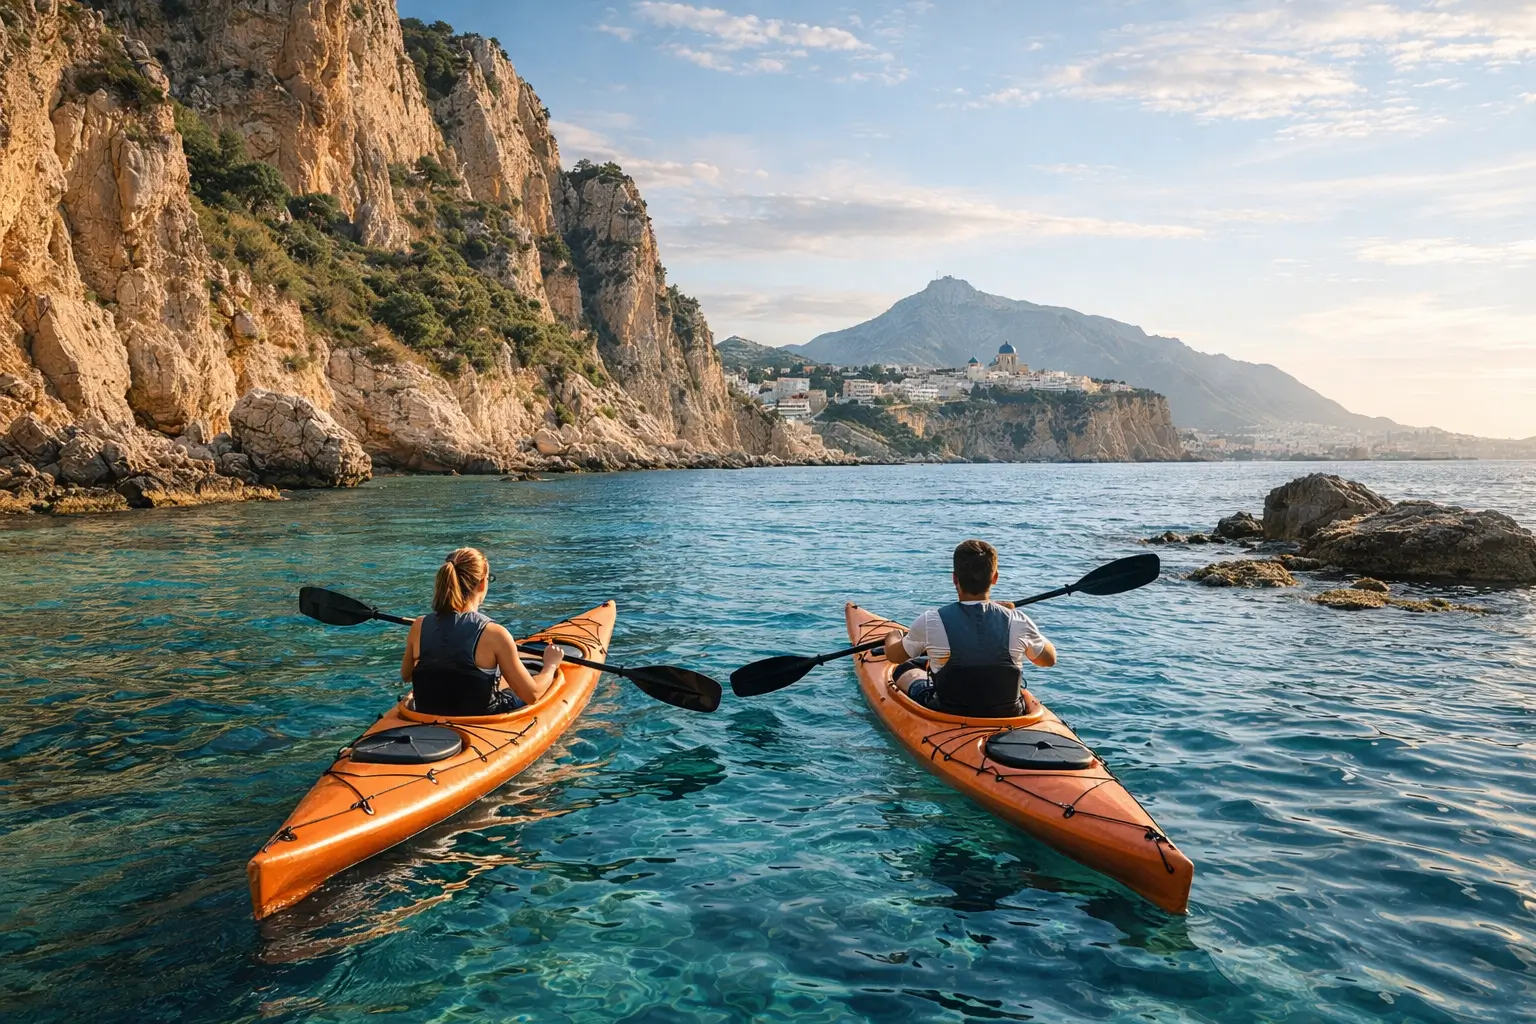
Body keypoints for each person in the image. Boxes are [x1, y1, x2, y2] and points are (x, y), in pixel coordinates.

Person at [882, 539, 1056, 718]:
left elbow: (895, 656)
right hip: (1009, 713)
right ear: (995, 577)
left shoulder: (930, 621)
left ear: (954, 578)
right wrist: (1017, 619)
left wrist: (892, 636)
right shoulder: (1018, 621)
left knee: (905, 670)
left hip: (947, 712)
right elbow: (1048, 660)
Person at [401, 547, 563, 716]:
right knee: (528, 688)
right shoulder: (495, 634)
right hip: (482, 717)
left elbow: (406, 675)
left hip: (426, 713)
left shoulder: (419, 625)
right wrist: (551, 664)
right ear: (483, 583)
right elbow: (532, 694)